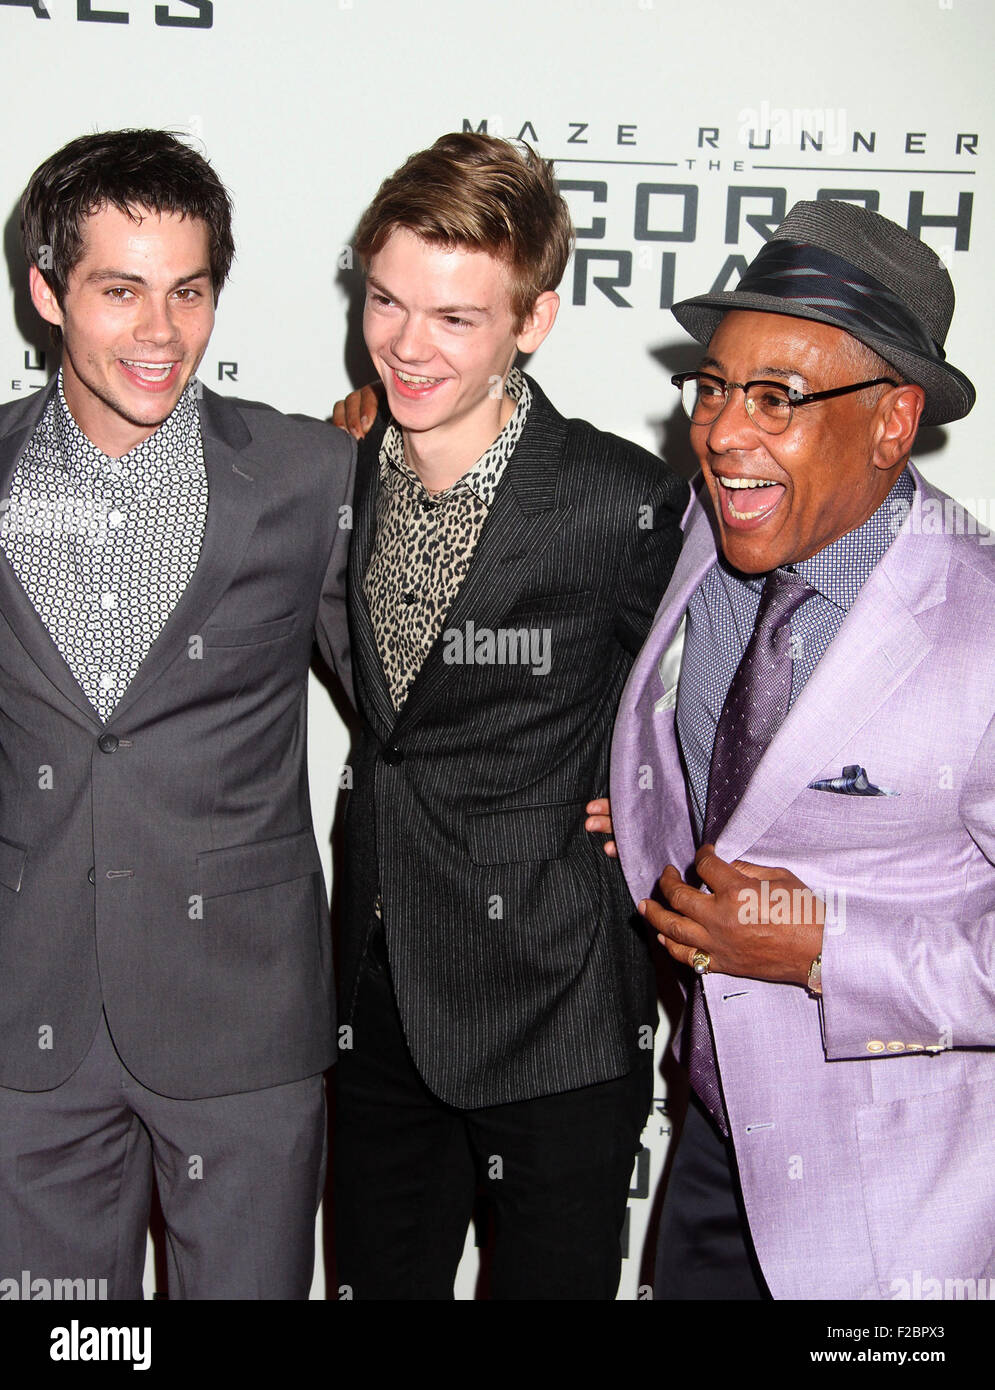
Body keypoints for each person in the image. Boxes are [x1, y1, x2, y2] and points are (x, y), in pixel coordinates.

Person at [610, 198, 993, 1300]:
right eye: (715, 386)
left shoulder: (974, 626)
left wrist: (819, 946)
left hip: (897, 1203)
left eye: (774, 398)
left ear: (890, 421)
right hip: (715, 1134)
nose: (723, 432)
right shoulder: (717, 517)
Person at [332, 132, 688, 1299]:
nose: (406, 343)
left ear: (530, 322)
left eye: (454, 319)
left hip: (551, 1005)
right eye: (386, 300)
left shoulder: (615, 499)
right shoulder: (328, 474)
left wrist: (654, 809)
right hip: (376, 999)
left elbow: (704, 687)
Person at [0, 129, 354, 1299]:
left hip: (240, 1019)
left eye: (188, 291)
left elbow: (418, 695)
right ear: (47, 292)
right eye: (119, 290)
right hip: (26, 1017)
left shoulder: (308, 477)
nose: (160, 334)